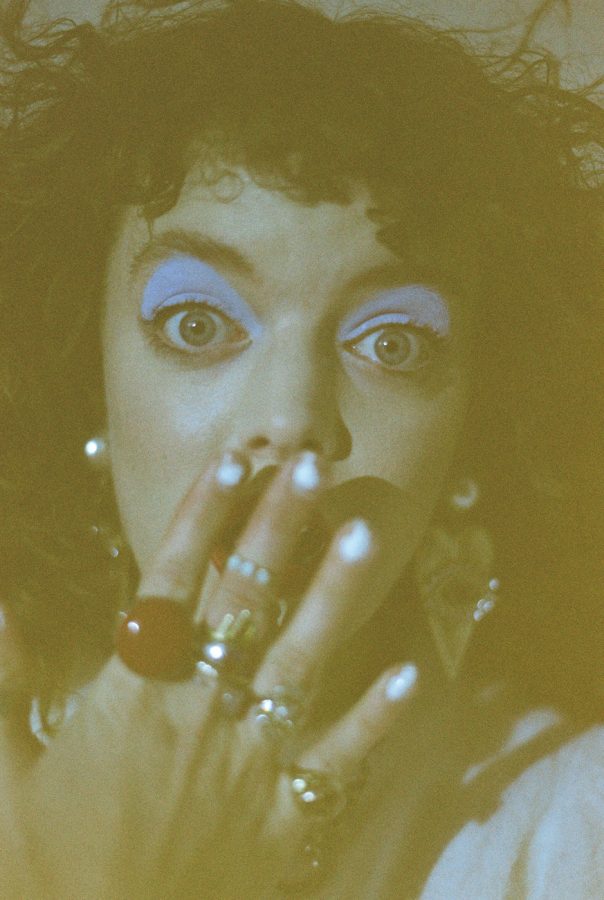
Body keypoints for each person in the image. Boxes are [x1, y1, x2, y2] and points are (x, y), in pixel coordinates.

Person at [0, 0, 602, 896]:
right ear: (87, 379)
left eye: (393, 342)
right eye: (196, 322)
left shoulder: (570, 827)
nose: (292, 421)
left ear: (479, 422)